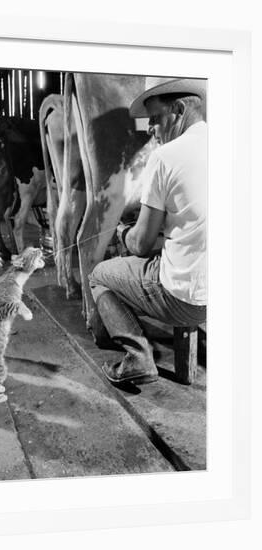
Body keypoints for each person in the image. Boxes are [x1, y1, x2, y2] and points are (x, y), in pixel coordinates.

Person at [88, 78, 207, 385]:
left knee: (100, 275)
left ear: (178, 109)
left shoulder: (165, 156)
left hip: (186, 300)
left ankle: (137, 356)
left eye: (155, 118)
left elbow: (140, 245)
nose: (151, 129)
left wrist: (122, 233)